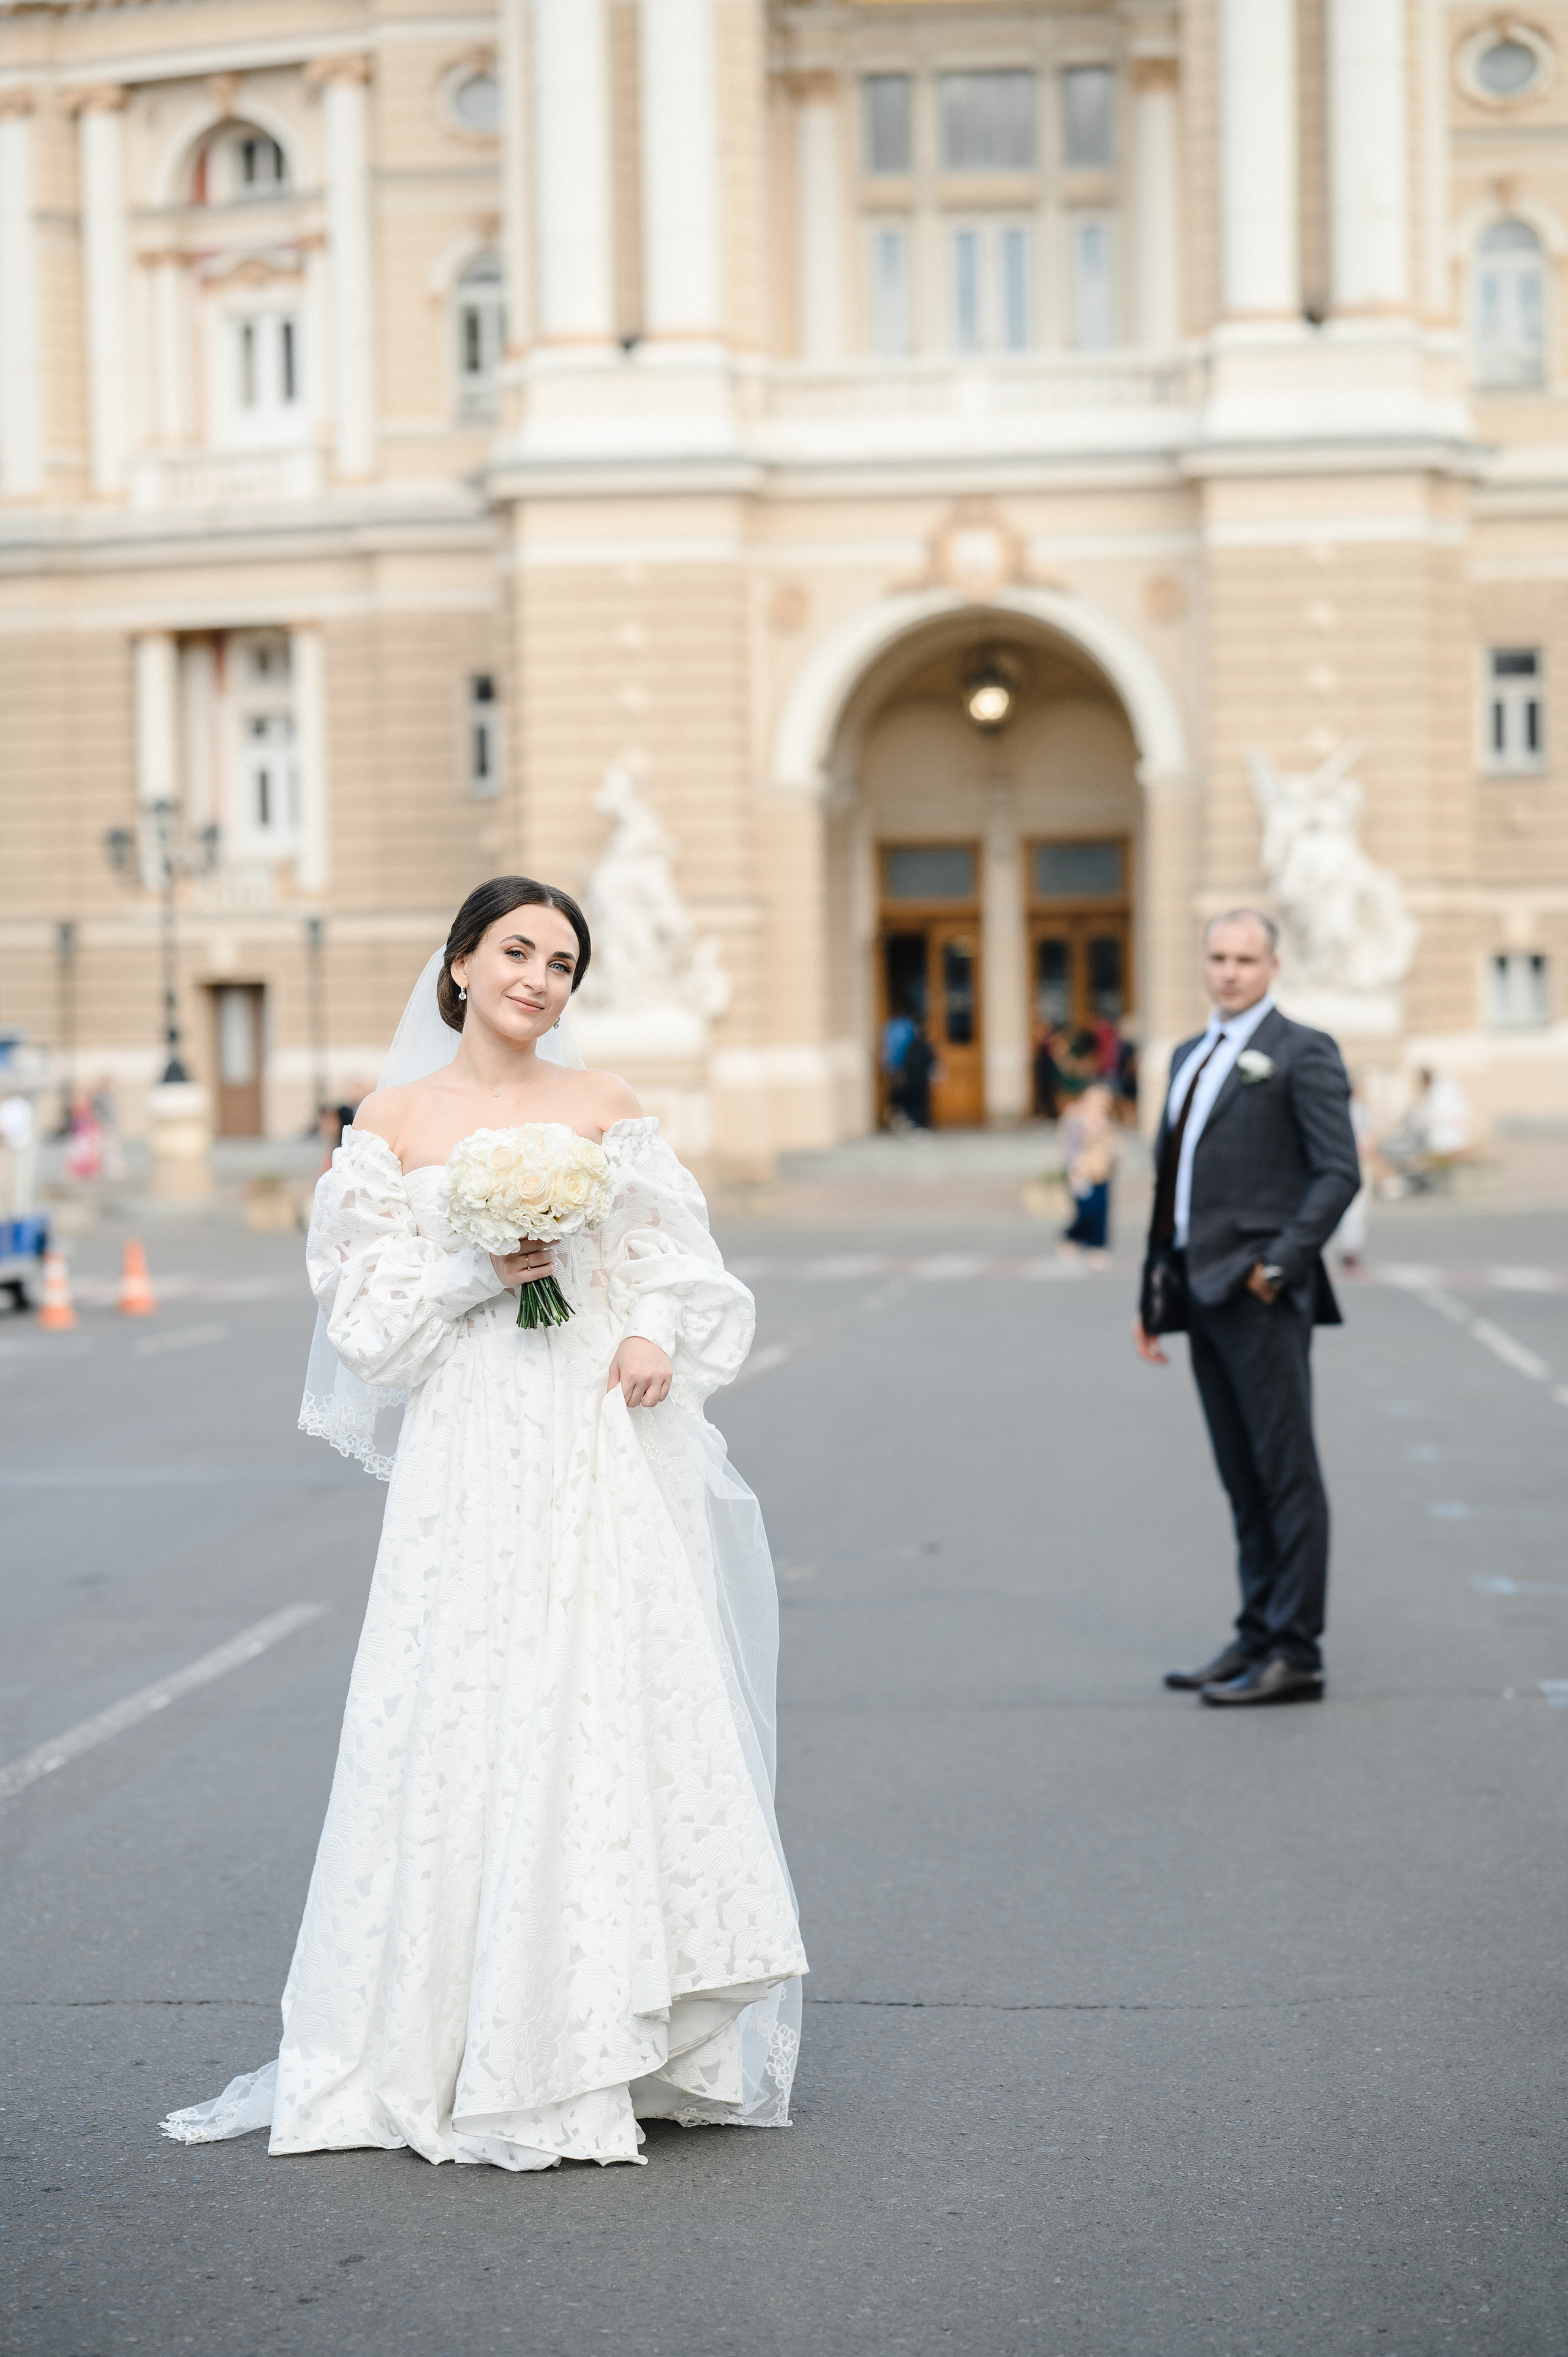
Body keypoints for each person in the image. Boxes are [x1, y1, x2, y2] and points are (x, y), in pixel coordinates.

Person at [163, 877, 807, 2171]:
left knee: (599, 1701)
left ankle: (612, 2030)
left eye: (563, 962)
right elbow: (367, 1322)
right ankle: (449, 2044)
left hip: (588, 1434)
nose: (540, 977)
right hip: (469, 1443)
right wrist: (477, 1265)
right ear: (457, 965)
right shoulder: (391, 1123)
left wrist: (642, 1331)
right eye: (517, 951)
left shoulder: (607, 1109)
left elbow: (674, 1264)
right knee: (461, 1706)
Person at [1134, 910, 1360, 1708]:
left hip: (1262, 1294)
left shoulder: (1304, 1051)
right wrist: (1154, 1290)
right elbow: (1173, 1185)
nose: (1229, 971)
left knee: (1285, 1471)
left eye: (1246, 958)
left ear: (1274, 963)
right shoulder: (1188, 1054)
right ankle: (1257, 1628)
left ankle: (1296, 1649)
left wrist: (1279, 1264)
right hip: (1198, 1291)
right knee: (1241, 1475)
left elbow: (1339, 1173)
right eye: (1218, 956)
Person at [1059, 1081, 1121, 1262]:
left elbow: (1114, 1146)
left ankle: (1098, 1246)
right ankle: (1072, 1237)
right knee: (1085, 1210)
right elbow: (1069, 1146)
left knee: (1101, 1210)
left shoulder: (1107, 1121)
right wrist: (1072, 1169)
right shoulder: (1075, 1119)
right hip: (1082, 1171)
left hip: (1102, 1172)